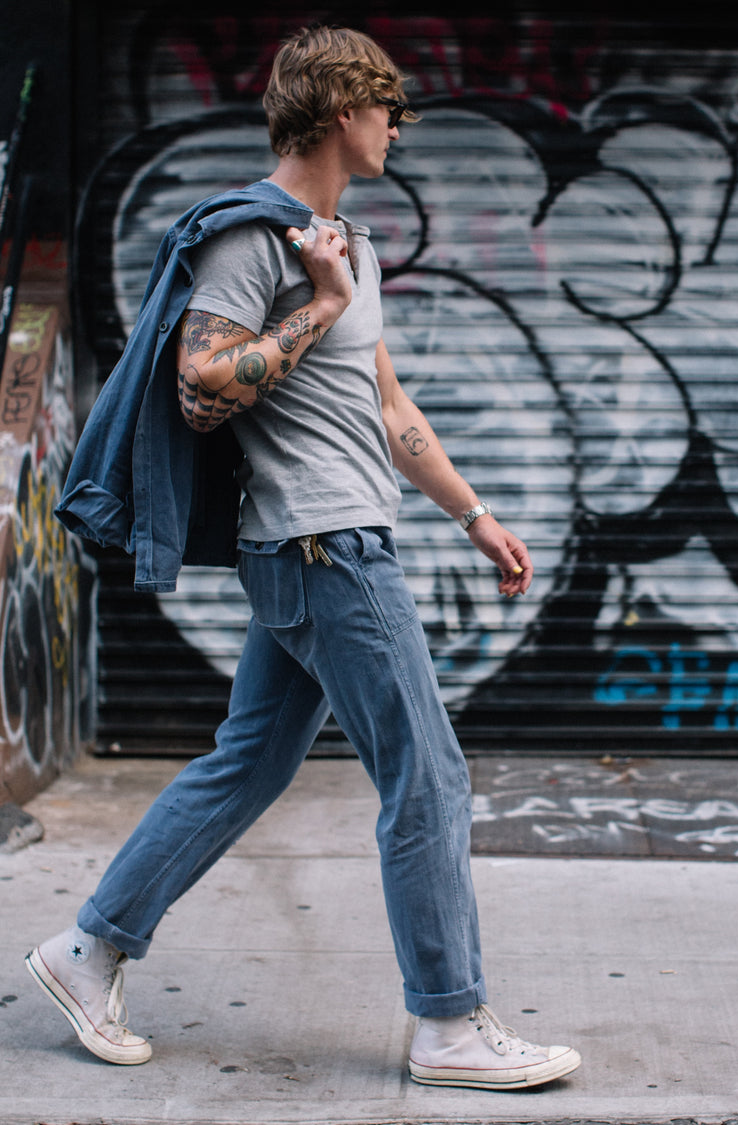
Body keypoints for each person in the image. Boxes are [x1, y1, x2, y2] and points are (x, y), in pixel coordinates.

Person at [25, 25, 581, 1091]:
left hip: (333, 539)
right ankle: (450, 1025)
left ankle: (85, 953)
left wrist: (474, 515)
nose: (400, 126)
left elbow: (384, 404)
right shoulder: (259, 242)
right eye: (387, 108)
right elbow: (200, 384)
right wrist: (316, 305)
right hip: (324, 551)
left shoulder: (345, 242)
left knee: (250, 763)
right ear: (337, 112)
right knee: (429, 777)